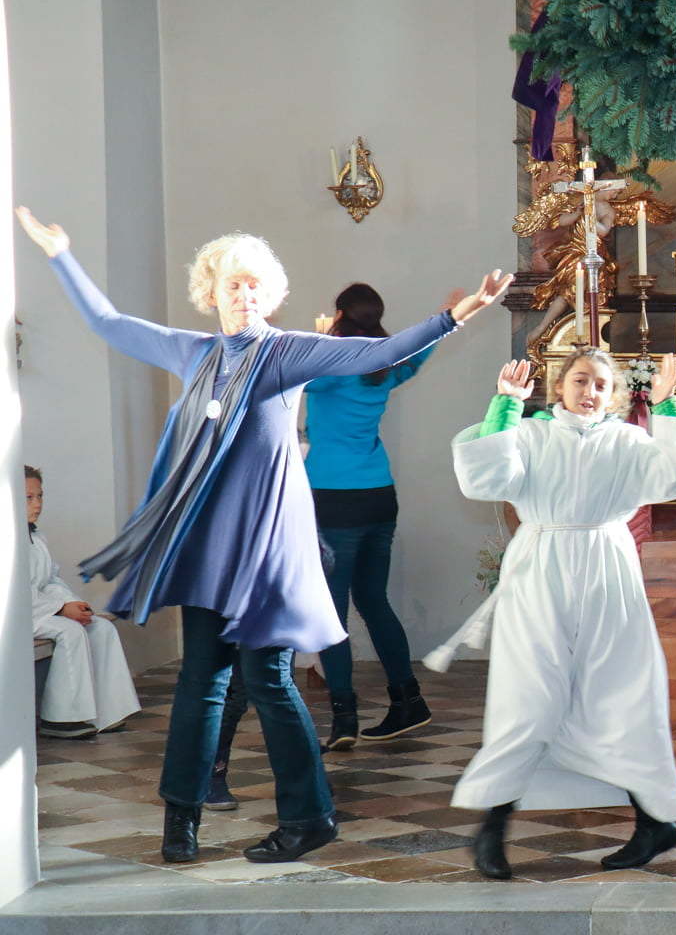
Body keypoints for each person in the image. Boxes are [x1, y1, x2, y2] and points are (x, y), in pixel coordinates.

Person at [15, 206, 507, 866]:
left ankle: (310, 818)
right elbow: (109, 323)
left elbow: (380, 352)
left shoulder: (287, 352)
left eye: (254, 286)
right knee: (200, 681)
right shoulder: (194, 352)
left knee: (268, 679)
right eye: (232, 284)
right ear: (212, 292)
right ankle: (181, 820)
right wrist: (60, 254)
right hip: (208, 549)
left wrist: (457, 315)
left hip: (269, 548)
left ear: (270, 294)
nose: (244, 295)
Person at [425, 350, 676, 880]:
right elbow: (488, 481)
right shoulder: (531, 435)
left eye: (601, 384)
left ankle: (654, 821)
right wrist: (505, 407)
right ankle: (493, 827)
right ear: (560, 387)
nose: (590, 392)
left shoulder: (628, 441)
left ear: (614, 395)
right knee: (527, 694)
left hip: (607, 568)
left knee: (621, 691)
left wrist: (668, 406)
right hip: (540, 569)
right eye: (581, 380)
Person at [306, 282, 454, 750]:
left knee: (331, 612)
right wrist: (447, 316)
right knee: (374, 601)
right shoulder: (385, 365)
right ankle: (408, 701)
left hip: (334, 499)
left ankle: (344, 718)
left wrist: (320, 340)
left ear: (339, 314)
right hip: (379, 496)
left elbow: (293, 374)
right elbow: (420, 352)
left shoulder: (329, 365)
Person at [26, 465, 141, 738]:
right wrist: (60, 609)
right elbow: (13, 592)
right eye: (28, 498)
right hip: (17, 615)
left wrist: (72, 603)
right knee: (70, 631)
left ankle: (108, 711)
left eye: (40, 496)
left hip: (38, 610)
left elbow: (50, 579)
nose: (38, 504)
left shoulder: (37, 538)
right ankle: (62, 717)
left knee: (101, 627)